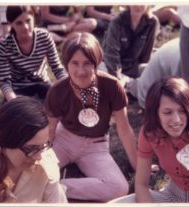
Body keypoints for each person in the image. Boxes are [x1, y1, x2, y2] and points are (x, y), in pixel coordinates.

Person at [111, 77, 189, 203]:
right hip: (173, 194)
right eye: (167, 112)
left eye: (182, 111)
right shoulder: (149, 133)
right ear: (155, 113)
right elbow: (141, 184)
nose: (177, 120)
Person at [45, 32, 137, 202]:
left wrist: (138, 166)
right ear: (66, 64)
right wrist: (41, 160)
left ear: (96, 63)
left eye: (87, 63)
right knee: (35, 172)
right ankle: (44, 182)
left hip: (96, 144)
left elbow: (124, 129)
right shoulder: (57, 90)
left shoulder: (112, 86)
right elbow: (50, 131)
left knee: (119, 187)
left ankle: (59, 188)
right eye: (75, 63)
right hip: (64, 139)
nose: (81, 71)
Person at [0, 96, 67, 203]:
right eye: (31, 148)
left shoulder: (47, 162)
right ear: (3, 141)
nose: (39, 156)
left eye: (43, 145)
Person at [0, 6, 65, 102]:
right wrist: (13, 101)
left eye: (28, 21)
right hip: (18, 90)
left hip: (42, 85)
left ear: (33, 18)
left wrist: (69, 87)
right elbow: (4, 81)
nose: (25, 27)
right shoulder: (4, 44)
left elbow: (57, 68)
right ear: (11, 24)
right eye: (19, 23)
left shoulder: (44, 37)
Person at [101, 5, 159, 85]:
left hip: (134, 67)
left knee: (154, 72)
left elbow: (146, 56)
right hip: (113, 67)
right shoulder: (117, 21)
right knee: (100, 70)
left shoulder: (152, 22)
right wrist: (117, 78)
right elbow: (111, 54)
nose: (138, 5)